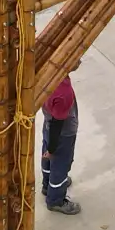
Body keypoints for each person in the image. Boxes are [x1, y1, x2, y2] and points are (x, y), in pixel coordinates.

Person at [42, 73, 81, 215]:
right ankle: (56, 200)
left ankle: (47, 185)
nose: (79, 60)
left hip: (48, 124)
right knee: (61, 165)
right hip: (63, 134)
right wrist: (52, 148)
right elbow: (58, 125)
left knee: (47, 158)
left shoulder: (48, 75)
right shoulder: (63, 93)